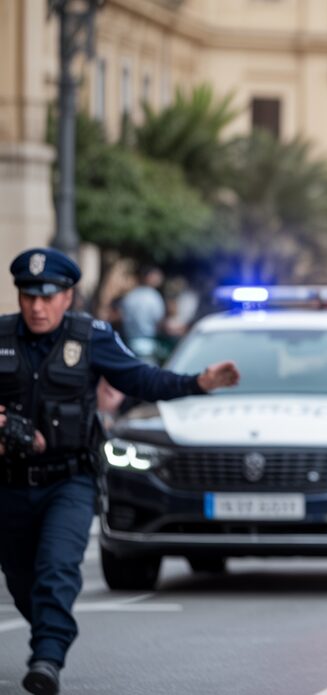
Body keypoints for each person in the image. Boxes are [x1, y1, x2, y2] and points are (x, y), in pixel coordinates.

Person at [0, 248, 240, 695]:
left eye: (47, 296)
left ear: (67, 296)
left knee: (57, 568)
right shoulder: (0, 336)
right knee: (22, 580)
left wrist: (196, 383)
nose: (36, 305)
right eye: (28, 295)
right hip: (10, 484)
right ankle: (47, 633)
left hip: (69, 480)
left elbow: (142, 380)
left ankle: (47, 658)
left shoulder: (91, 337)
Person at [117, 265, 165, 363]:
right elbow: (159, 320)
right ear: (149, 277)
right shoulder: (153, 296)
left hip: (129, 344)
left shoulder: (130, 295)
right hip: (147, 345)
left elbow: (122, 317)